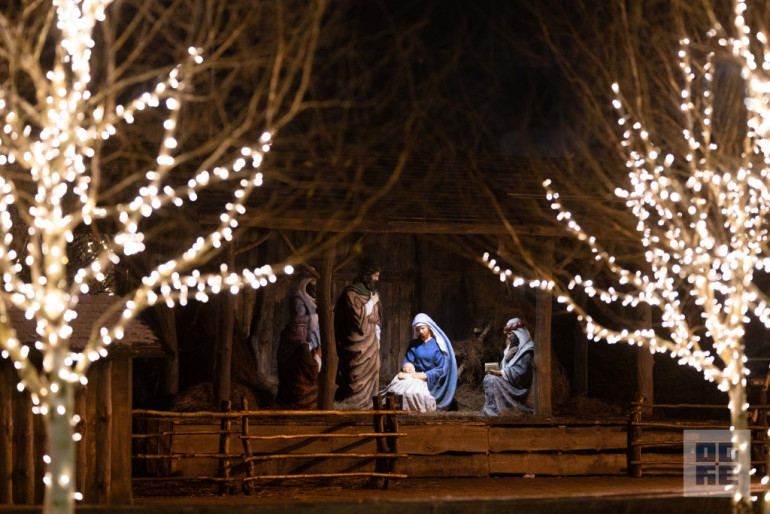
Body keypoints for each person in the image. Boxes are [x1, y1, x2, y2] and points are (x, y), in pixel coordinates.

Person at [383, 313, 457, 412]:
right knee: (396, 388)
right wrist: (408, 369)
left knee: (416, 394)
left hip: (429, 378)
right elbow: (408, 361)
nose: (420, 331)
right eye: (417, 329)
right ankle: (399, 411)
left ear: (429, 328)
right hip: (413, 375)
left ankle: (416, 411)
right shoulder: (414, 344)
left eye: (422, 328)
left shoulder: (437, 345)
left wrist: (426, 375)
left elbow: (441, 368)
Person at [334, 260, 382, 409]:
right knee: (356, 373)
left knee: (374, 369)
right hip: (356, 340)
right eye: (375, 275)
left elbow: (377, 319)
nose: (377, 279)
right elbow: (357, 317)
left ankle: (369, 404)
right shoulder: (351, 293)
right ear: (367, 275)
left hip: (372, 341)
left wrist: (378, 338)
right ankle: (354, 404)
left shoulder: (373, 294)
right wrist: (372, 303)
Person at [276, 276, 321, 409]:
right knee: (301, 369)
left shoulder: (312, 300)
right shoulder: (298, 298)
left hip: (310, 338)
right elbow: (297, 317)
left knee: (312, 364)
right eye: (311, 283)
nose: (314, 287)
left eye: (315, 284)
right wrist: (314, 318)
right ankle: (299, 400)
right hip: (298, 338)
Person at [481, 317, 534, 416]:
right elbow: (504, 367)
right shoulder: (513, 349)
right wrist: (506, 358)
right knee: (489, 378)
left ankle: (499, 411)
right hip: (510, 381)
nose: (508, 337)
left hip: (518, 388)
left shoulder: (527, 351)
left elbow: (521, 373)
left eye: (510, 334)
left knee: (492, 379)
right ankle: (492, 410)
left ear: (518, 334)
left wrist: (501, 372)